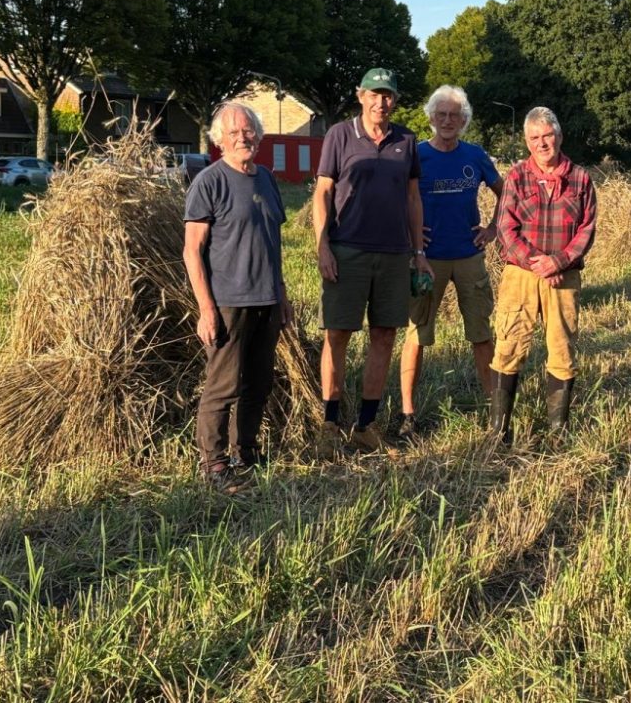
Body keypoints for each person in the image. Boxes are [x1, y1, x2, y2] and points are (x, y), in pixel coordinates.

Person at [313, 68, 433, 456]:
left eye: (388, 95)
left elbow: (414, 200)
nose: (382, 101)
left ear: (395, 100)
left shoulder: (407, 141)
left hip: (395, 254)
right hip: (347, 250)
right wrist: (323, 246)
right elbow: (323, 194)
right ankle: (330, 424)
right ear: (360, 96)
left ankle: (366, 425)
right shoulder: (339, 135)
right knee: (338, 334)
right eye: (375, 94)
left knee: (384, 336)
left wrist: (418, 253)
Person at [183, 102, 293, 492]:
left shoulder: (266, 178)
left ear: (259, 136)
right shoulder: (209, 182)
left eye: (248, 131)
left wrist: (281, 294)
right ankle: (214, 466)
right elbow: (192, 250)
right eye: (234, 133)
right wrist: (206, 309)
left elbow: (272, 242)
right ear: (219, 141)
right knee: (223, 386)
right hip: (228, 301)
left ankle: (244, 451)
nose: (243, 138)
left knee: (258, 383)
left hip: (266, 298)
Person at [398, 85, 504, 438]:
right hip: (427, 261)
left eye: (454, 115)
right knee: (417, 334)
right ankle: (408, 415)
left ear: (464, 120)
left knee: (481, 333)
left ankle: (495, 412)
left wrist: (492, 228)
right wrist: (411, 240)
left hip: (469, 256)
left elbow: (507, 192)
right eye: (441, 115)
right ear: (430, 118)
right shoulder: (417, 154)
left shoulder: (475, 155)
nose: (447, 121)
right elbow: (396, 198)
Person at [489, 106, 597, 447]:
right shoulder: (517, 176)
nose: (542, 143)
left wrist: (559, 262)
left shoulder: (580, 178)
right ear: (526, 141)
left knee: (562, 350)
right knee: (508, 347)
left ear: (559, 137)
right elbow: (506, 228)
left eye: (547, 136)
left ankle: (556, 434)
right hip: (521, 276)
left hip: (563, 278)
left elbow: (587, 229)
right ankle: (499, 433)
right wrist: (539, 263)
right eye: (534, 138)